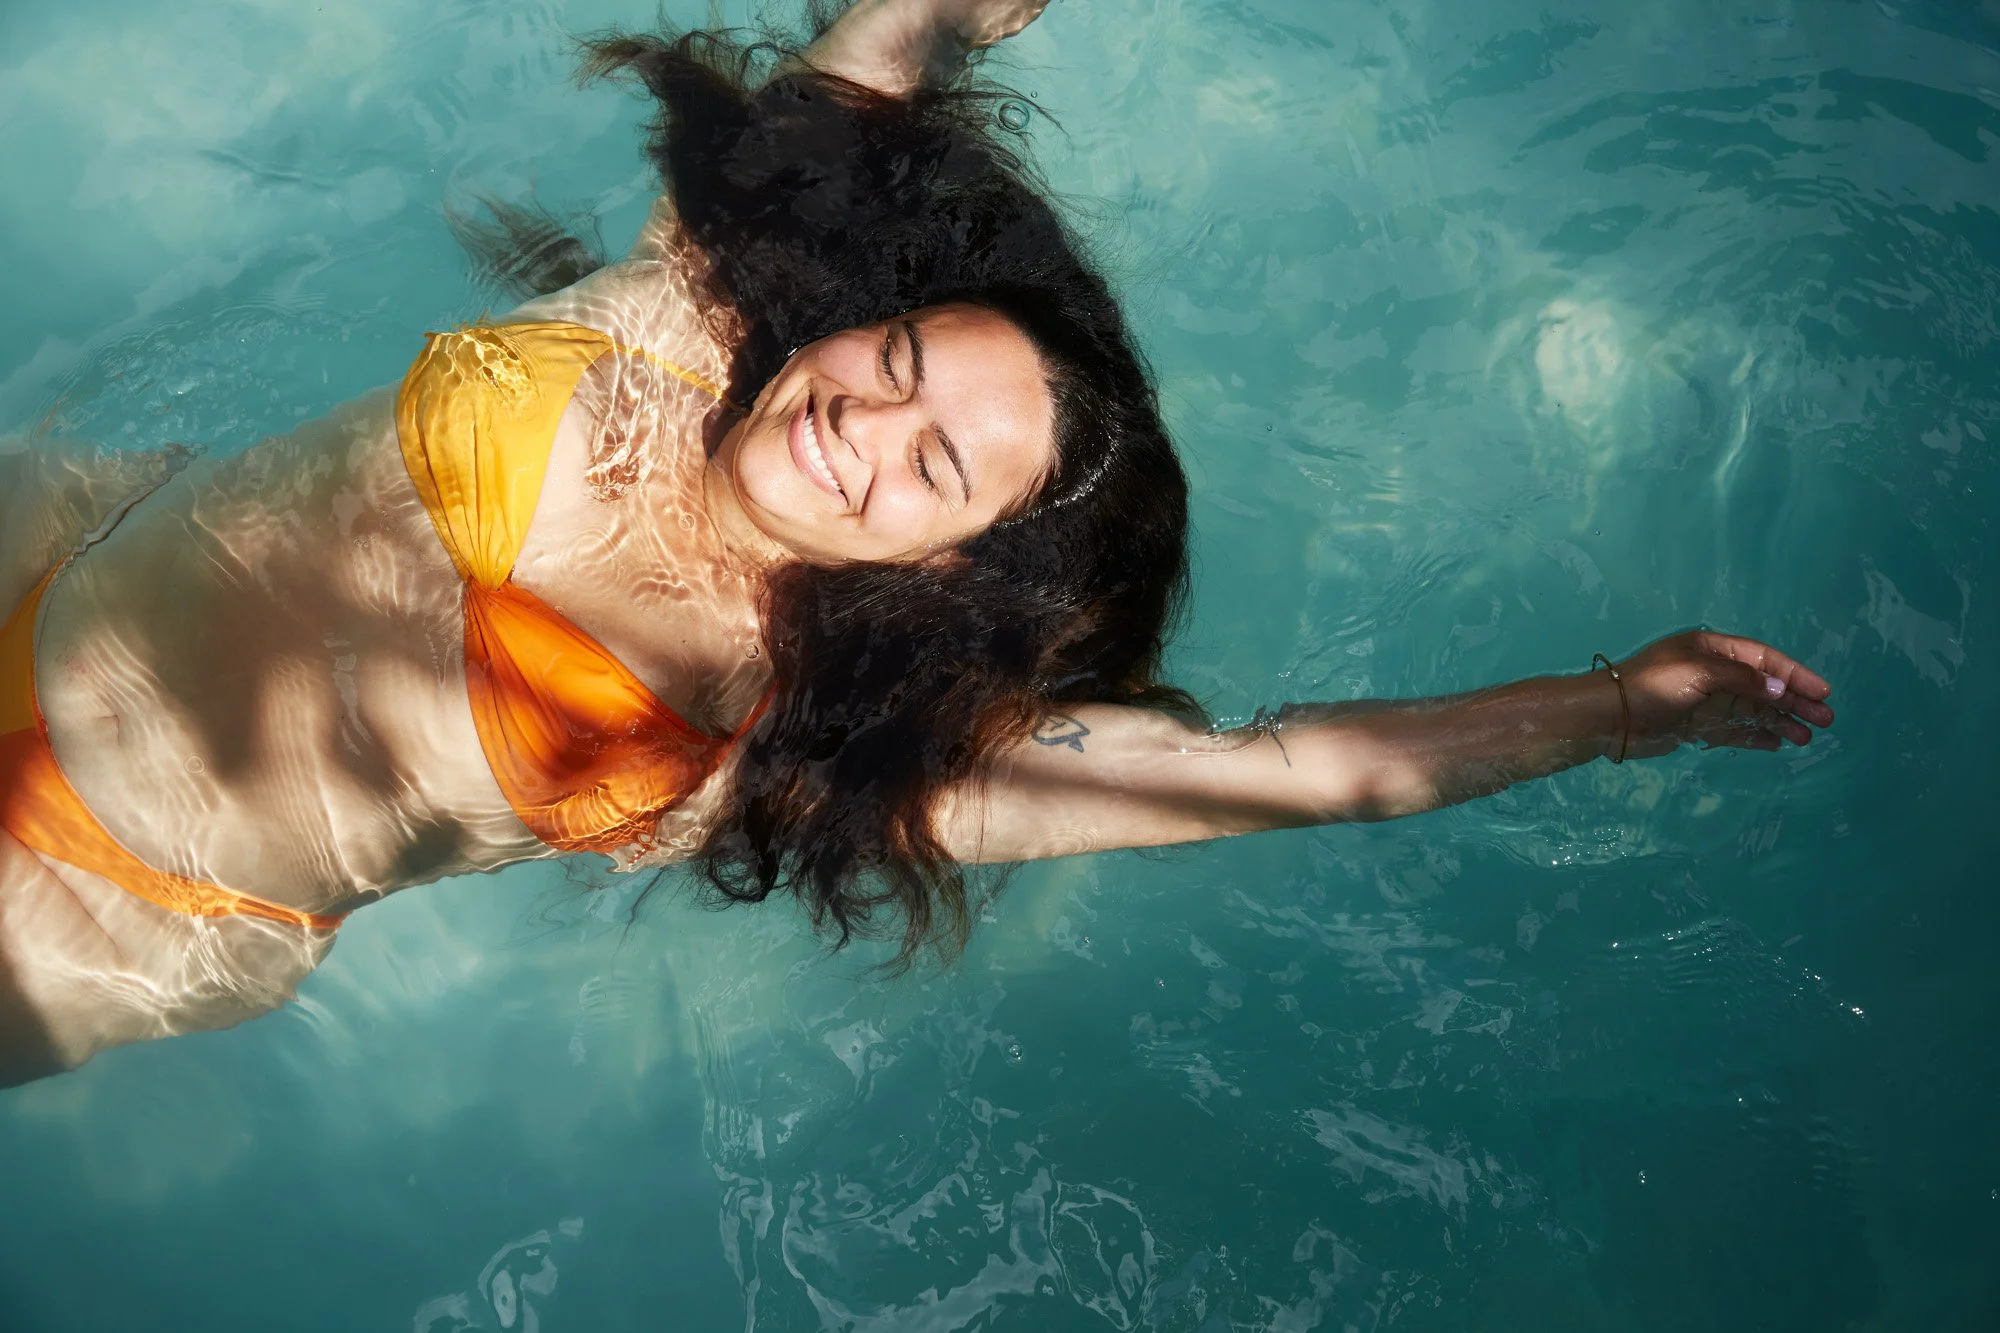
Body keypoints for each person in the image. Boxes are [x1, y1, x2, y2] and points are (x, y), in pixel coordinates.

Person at [0, 0, 1834, 1088]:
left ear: (955, 567)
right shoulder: (691, 312)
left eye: (935, 464)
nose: (860, 427)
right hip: (48, 552)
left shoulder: (796, 730)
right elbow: (860, 81)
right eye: (885, 362)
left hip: (84, 907)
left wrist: (1621, 703)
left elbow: (1284, 774)